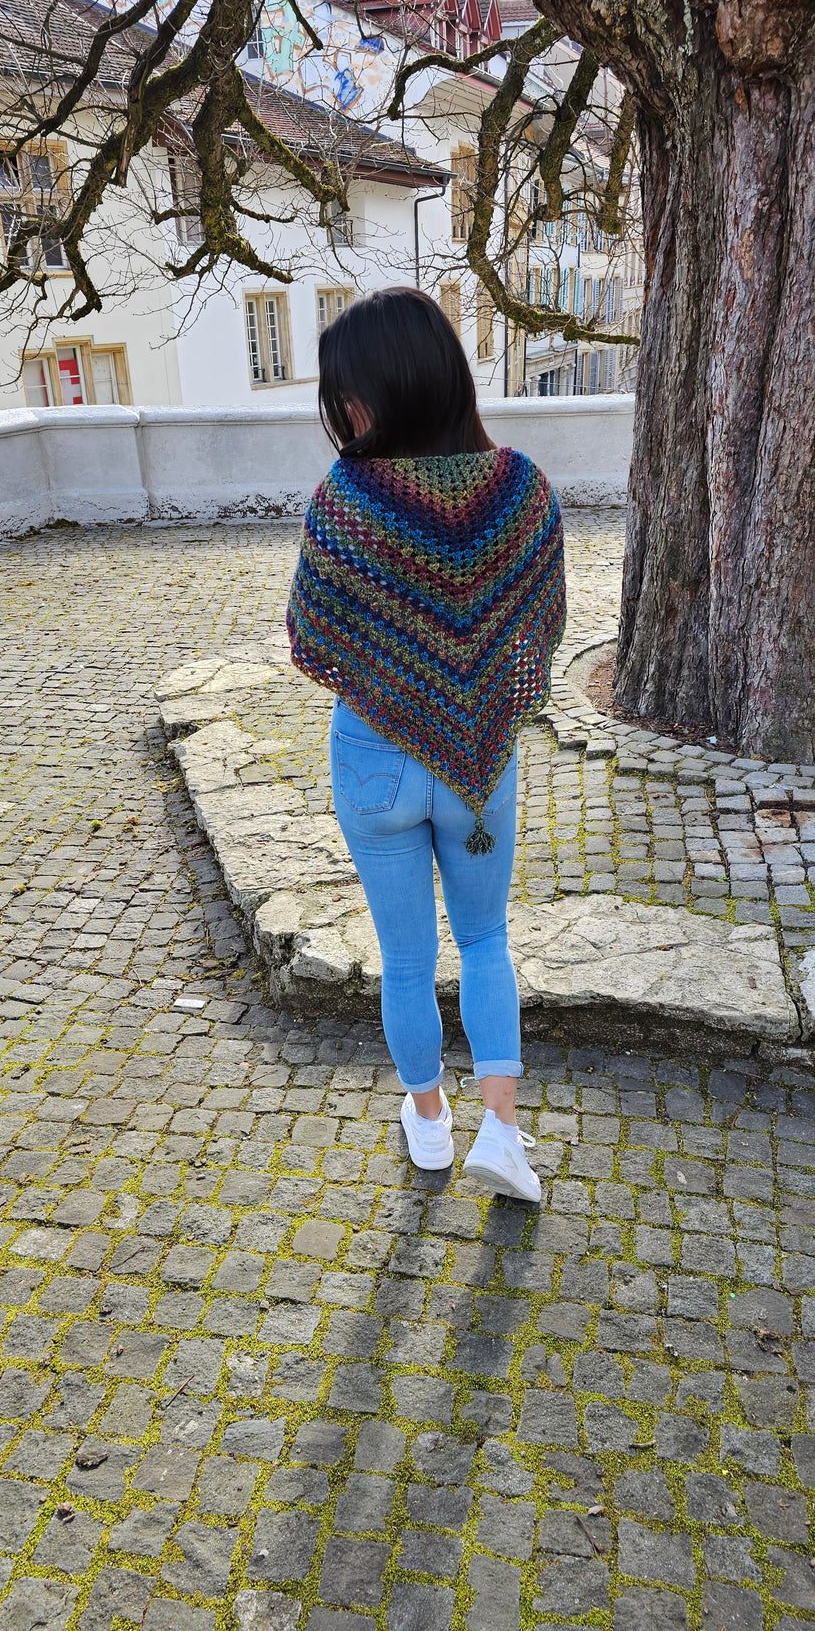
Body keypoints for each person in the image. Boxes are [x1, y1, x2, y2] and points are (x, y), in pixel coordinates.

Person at [287, 287, 565, 1202]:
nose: (343, 412)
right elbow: (541, 623)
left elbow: (309, 638)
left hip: (373, 759)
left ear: (372, 392)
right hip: (479, 762)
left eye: (345, 393)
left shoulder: (344, 498)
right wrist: (471, 692)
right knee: (484, 938)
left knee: (405, 959)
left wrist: (395, 676)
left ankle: (431, 1123)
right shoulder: (520, 487)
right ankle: (503, 1134)